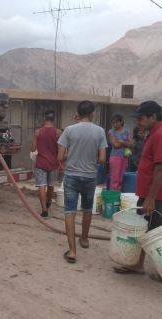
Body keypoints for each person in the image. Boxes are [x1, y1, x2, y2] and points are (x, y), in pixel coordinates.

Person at [113, 101, 162, 287]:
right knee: (144, 229)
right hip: (151, 193)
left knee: (157, 232)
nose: (138, 122)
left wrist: (150, 198)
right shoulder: (155, 134)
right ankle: (138, 264)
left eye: (141, 118)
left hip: (157, 195)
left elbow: (161, 168)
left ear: (153, 117)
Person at [57, 101, 107, 263]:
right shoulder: (100, 131)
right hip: (90, 176)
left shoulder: (69, 130)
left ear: (78, 113)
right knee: (87, 209)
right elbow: (102, 159)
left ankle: (72, 251)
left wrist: (71, 157)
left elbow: (59, 157)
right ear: (92, 114)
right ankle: (84, 239)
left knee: (70, 211)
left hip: (71, 175)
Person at [30, 110, 62, 217]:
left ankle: (44, 210)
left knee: (42, 185)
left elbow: (33, 148)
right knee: (51, 184)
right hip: (53, 163)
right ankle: (48, 202)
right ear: (54, 119)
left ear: (45, 118)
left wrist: (35, 138)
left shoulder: (38, 132)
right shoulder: (58, 132)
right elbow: (60, 149)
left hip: (41, 163)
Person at [108, 114, 133, 190]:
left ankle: (118, 194)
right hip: (115, 156)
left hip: (124, 156)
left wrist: (121, 142)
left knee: (120, 178)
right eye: (113, 123)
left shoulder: (127, 131)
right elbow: (115, 145)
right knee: (115, 178)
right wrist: (126, 143)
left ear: (121, 122)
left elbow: (131, 144)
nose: (114, 124)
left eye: (116, 122)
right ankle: (113, 194)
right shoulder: (111, 132)